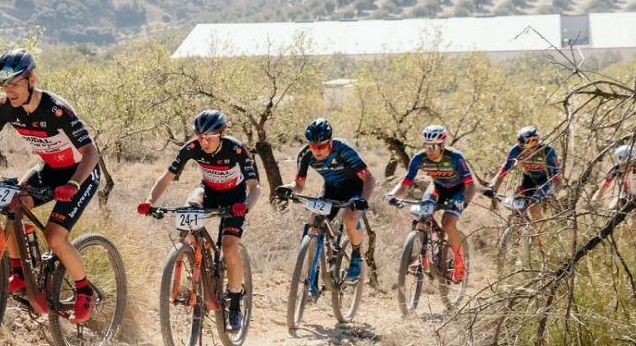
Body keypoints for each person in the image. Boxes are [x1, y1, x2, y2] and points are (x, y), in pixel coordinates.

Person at [0, 49, 103, 324]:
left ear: (32, 80)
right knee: (12, 203)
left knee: (54, 236)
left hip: (80, 174)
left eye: (15, 84)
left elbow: (91, 153)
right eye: (4, 85)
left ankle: (84, 291)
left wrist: (74, 184)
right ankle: (18, 271)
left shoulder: (56, 109)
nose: (9, 91)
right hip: (50, 169)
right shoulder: (6, 106)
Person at [137, 109, 260, 332]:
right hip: (208, 191)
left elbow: (255, 187)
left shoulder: (236, 148)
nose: (204, 141)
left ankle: (234, 303)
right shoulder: (191, 148)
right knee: (191, 204)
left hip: (235, 197)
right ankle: (194, 254)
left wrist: (246, 206)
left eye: (209, 137)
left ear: (221, 135)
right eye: (200, 136)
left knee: (230, 248)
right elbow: (166, 178)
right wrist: (149, 200)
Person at [274, 117, 374, 283]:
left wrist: (363, 199)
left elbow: (368, 178)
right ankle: (312, 273)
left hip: (355, 188)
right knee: (314, 222)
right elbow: (299, 185)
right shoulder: (305, 155)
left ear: (331, 141)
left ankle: (356, 255)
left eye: (321, 146)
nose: (317, 150)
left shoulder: (343, 150)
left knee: (349, 218)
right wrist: (288, 188)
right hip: (332, 189)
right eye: (313, 146)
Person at [388, 124, 475, 282]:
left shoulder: (455, 157)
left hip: (457, 191)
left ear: (442, 145)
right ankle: (423, 258)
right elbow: (405, 183)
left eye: (434, 146)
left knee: (448, 224)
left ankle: (460, 263)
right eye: (427, 146)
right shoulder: (419, 158)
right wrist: (393, 195)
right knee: (422, 215)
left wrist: (465, 202)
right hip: (437, 188)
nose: (430, 150)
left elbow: (471, 185)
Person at [486, 125, 562, 237]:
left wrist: (552, 192)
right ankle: (515, 237)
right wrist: (493, 189)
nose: (534, 145)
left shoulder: (547, 151)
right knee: (516, 211)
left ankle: (541, 237)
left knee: (534, 206)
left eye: (536, 140)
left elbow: (557, 178)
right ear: (521, 143)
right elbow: (502, 173)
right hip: (527, 179)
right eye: (531, 141)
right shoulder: (515, 151)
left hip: (545, 180)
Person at [600, 144, 636, 232]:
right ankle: (615, 231)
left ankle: (634, 239)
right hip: (626, 196)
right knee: (612, 210)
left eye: (623, 161)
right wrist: (594, 200)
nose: (622, 166)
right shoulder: (616, 169)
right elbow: (605, 185)